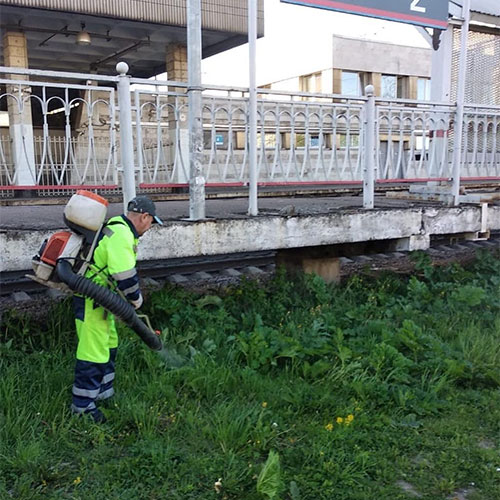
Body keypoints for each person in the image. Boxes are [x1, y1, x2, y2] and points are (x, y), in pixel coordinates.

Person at [71, 195, 162, 423]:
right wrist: (136, 302)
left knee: (109, 344)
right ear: (144, 217)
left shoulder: (116, 226)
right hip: (92, 301)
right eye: (151, 222)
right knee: (93, 353)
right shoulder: (122, 234)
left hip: (102, 302)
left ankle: (104, 393)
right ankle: (83, 409)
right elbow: (125, 276)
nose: (149, 228)